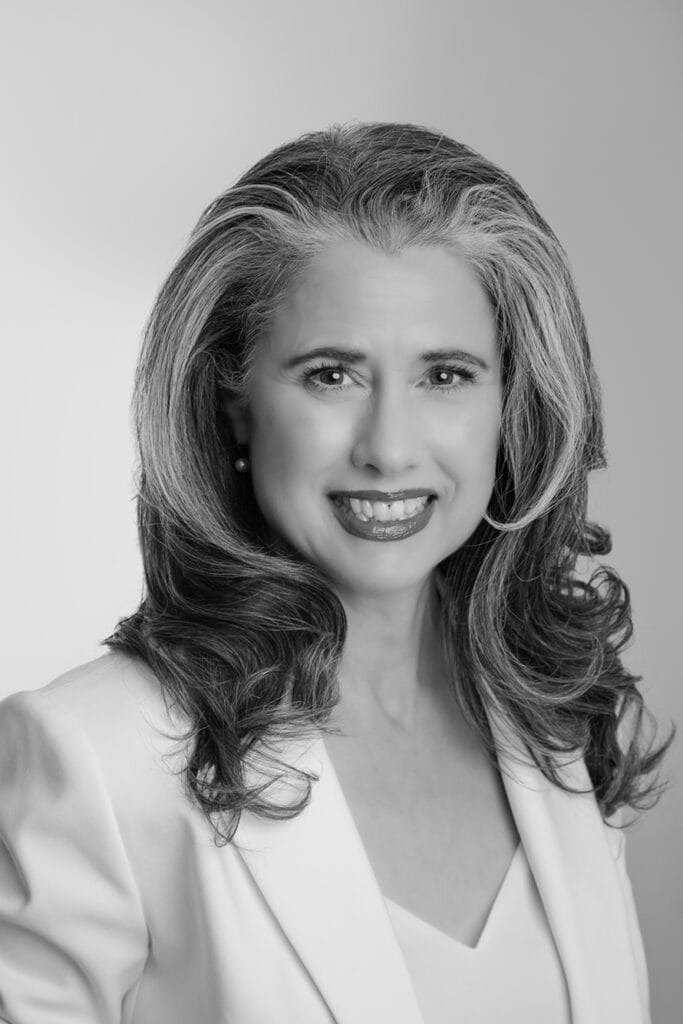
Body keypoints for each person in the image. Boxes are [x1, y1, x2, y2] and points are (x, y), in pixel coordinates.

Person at [0, 121, 672, 1024]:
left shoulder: (566, 719)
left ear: (509, 402)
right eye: (330, 375)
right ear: (232, 405)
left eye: (444, 374)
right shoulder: (90, 756)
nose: (389, 449)